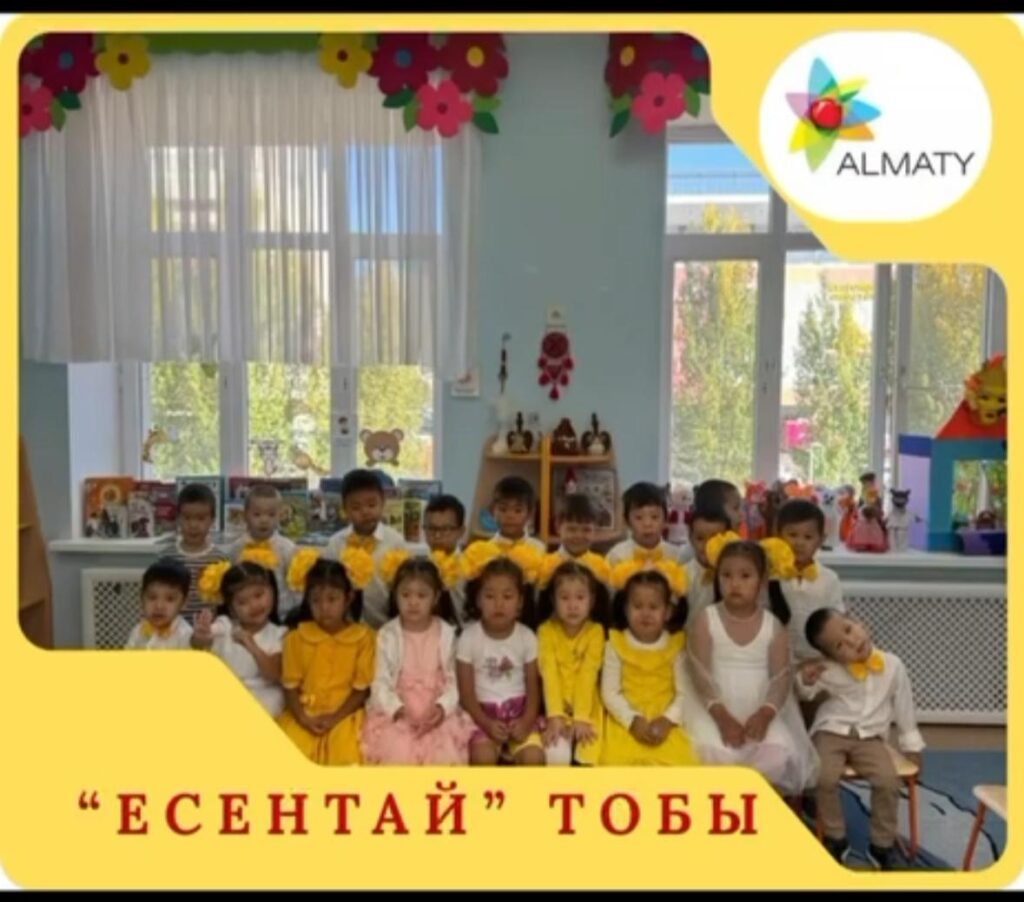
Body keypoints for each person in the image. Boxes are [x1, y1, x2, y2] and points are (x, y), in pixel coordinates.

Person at [800, 608, 925, 870]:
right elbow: (806, 693)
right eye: (839, 645)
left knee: (888, 781)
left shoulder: (893, 665)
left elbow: (904, 708)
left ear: (859, 622)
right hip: (831, 731)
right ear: (832, 656)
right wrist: (806, 680)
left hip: (870, 737)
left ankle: (882, 844)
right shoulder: (830, 669)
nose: (851, 641)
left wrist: (911, 746)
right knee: (822, 777)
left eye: (848, 629)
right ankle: (835, 836)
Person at [361, 555, 473, 765]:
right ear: (395, 596)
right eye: (405, 595)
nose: (413, 602)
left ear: (435, 597)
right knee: (398, 756)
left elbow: (454, 681)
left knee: (441, 758)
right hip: (398, 712)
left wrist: (441, 708)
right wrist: (398, 710)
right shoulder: (387, 634)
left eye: (422, 595)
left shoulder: (446, 634)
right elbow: (380, 682)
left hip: (436, 712)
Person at [124, 558, 193, 650]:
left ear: (184, 602)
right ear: (141, 599)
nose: (159, 606)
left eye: (170, 599)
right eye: (152, 598)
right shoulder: (139, 630)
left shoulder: (186, 635)